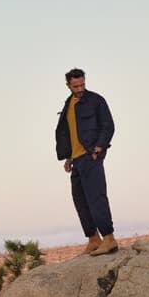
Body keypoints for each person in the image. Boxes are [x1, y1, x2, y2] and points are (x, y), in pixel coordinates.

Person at [55, 67, 118, 254]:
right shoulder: (68, 105)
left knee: (96, 197)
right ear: (68, 85)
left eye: (82, 84)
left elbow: (109, 126)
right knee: (80, 200)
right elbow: (69, 133)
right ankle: (93, 239)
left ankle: (109, 238)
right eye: (76, 86)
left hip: (91, 156)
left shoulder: (96, 101)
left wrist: (99, 147)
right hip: (76, 160)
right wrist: (68, 157)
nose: (80, 88)